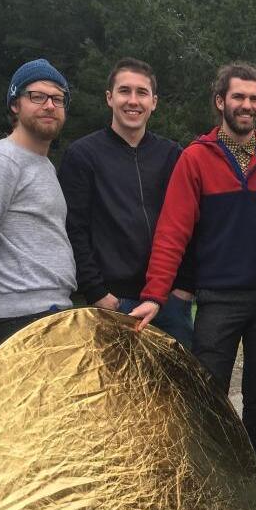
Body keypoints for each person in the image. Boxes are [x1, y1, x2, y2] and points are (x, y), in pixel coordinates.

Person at [128, 62, 256, 510]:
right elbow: (173, 231)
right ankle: (206, 508)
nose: (247, 105)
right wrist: (155, 294)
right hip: (219, 300)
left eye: (255, 99)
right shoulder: (195, 158)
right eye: (238, 97)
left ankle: (253, 508)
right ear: (220, 101)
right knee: (208, 406)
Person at [58, 58, 194, 349]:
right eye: (124, 91)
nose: (133, 101)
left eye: (142, 93)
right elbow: (74, 230)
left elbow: (190, 223)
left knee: (174, 391)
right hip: (113, 302)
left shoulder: (172, 155)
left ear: (154, 102)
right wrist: (95, 291)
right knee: (114, 393)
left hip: (169, 301)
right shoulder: (83, 156)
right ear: (110, 97)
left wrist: (184, 286)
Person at [0, 58, 76, 348]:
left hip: (51, 311)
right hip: (23, 318)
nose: (49, 105)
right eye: (37, 96)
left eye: (58, 99)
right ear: (14, 104)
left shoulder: (41, 164)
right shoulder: (0, 162)